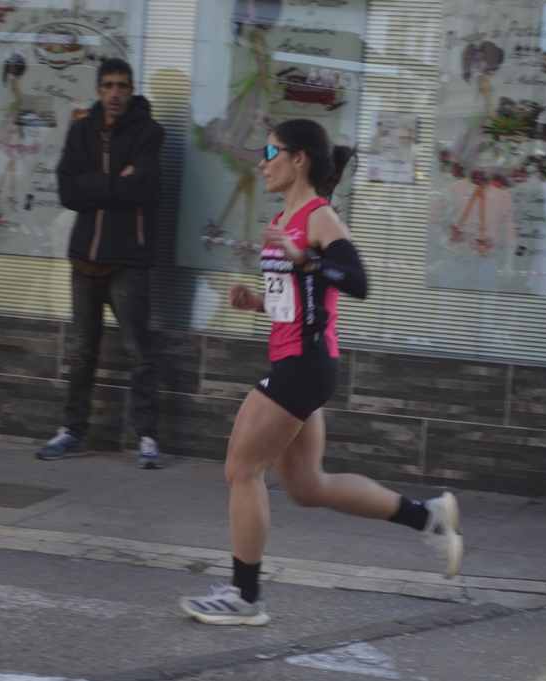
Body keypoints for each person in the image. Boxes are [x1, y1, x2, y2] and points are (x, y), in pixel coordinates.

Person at [178, 119, 463, 627]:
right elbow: (296, 301)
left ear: (299, 158)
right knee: (308, 486)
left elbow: (357, 282)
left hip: (305, 366)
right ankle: (429, 517)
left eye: (271, 152)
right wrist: (257, 303)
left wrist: (304, 259)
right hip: (297, 362)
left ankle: (245, 597)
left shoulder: (319, 216)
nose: (262, 162)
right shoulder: (282, 217)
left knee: (241, 470)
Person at [36, 58, 165, 469]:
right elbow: (67, 191)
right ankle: (72, 432)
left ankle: (147, 437)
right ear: (98, 89)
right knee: (81, 353)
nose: (114, 93)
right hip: (84, 261)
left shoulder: (149, 132)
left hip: (128, 261)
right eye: (108, 85)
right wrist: (114, 184)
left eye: (122, 86)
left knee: (139, 354)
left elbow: (141, 187)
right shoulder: (80, 131)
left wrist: (92, 182)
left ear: (131, 89)